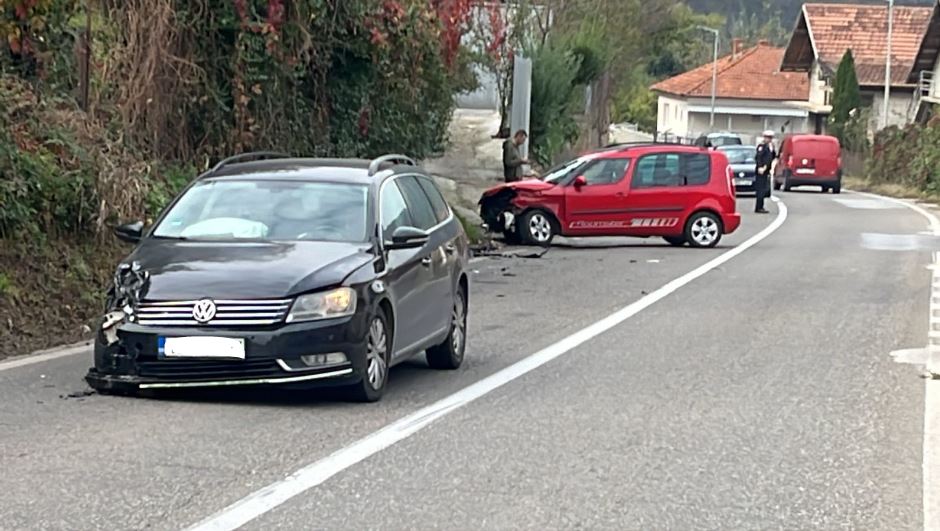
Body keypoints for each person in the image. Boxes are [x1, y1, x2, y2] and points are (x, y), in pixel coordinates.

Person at [754, 130, 776, 214]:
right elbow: (758, 157)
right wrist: (760, 167)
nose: (769, 139)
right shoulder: (762, 146)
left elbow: (772, 157)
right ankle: (758, 207)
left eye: (770, 138)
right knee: (760, 189)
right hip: (761, 171)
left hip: (766, 170)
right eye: (767, 137)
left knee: (764, 189)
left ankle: (761, 206)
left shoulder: (770, 146)